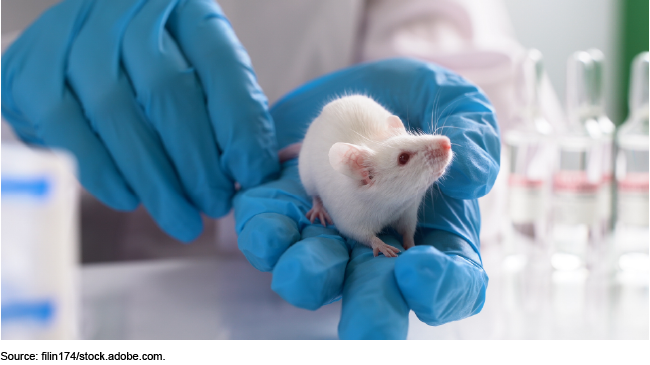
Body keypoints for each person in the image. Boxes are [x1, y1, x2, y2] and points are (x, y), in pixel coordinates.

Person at [2, 0, 546, 339]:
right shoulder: (356, 183)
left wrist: (460, 153)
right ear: (364, 175)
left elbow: (498, 89)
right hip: (74, 312)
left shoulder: (382, 173)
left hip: (292, 334)